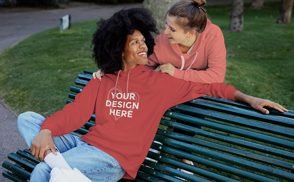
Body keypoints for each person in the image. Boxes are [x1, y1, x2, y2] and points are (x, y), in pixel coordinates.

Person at [18, 8, 287, 182]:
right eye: (135, 43)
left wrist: (249, 98)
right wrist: (48, 130)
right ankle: (67, 172)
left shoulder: (161, 83)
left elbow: (213, 87)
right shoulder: (104, 79)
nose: (144, 45)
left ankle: (61, 169)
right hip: (86, 145)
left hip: (113, 160)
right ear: (118, 50)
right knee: (27, 119)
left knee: (43, 170)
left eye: (143, 40)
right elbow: (75, 114)